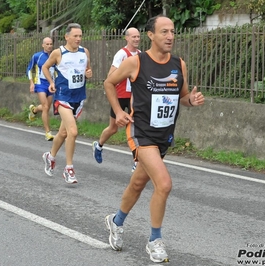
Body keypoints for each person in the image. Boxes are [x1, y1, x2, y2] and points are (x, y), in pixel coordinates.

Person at [103, 15, 205, 263]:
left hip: (163, 136)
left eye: (172, 32)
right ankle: (154, 240)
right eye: (164, 32)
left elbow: (181, 96)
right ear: (150, 35)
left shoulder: (179, 64)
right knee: (164, 184)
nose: (170, 36)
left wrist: (190, 101)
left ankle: (115, 222)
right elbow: (108, 82)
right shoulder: (136, 62)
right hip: (141, 132)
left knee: (138, 184)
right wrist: (118, 112)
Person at [41, 23, 92, 184]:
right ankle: (69, 168)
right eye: (75, 36)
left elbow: (88, 71)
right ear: (67, 37)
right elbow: (45, 67)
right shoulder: (58, 53)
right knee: (73, 132)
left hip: (79, 97)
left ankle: (50, 156)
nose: (78, 39)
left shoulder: (85, 52)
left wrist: (89, 74)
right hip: (63, 97)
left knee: (63, 133)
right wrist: (51, 82)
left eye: (80, 36)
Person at [92, 27, 140, 172]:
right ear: (127, 38)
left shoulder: (140, 55)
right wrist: (126, 73)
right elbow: (110, 75)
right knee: (113, 128)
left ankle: (137, 162)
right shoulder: (121, 54)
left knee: (135, 129)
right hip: (119, 96)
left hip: (134, 97)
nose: (137, 39)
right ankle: (99, 145)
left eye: (138, 37)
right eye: (134, 37)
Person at [26, 37, 55, 141]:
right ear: (43, 45)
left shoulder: (55, 56)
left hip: (51, 84)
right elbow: (29, 69)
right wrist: (31, 83)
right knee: (45, 107)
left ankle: (34, 110)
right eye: (47, 44)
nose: (49, 46)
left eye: (51, 44)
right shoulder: (37, 56)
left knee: (46, 107)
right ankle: (48, 132)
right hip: (40, 83)